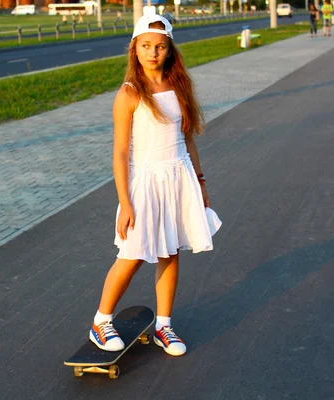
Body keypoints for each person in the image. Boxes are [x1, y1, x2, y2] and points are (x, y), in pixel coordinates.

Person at [88, 14, 221, 357]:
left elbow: (187, 139)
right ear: (135, 49)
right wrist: (125, 202)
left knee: (171, 252)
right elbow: (119, 153)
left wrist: (201, 183)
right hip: (144, 183)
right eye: (146, 46)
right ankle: (100, 322)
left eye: (160, 47)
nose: (153, 53)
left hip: (178, 178)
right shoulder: (130, 93)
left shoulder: (179, 89)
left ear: (169, 50)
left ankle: (164, 325)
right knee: (131, 255)